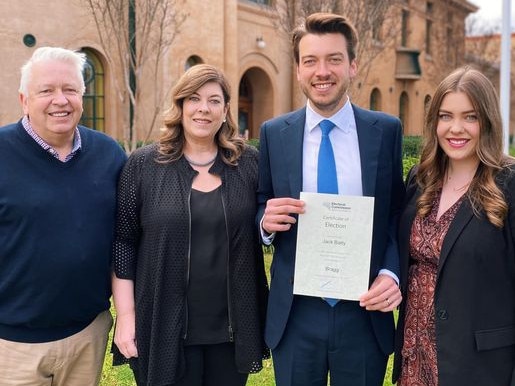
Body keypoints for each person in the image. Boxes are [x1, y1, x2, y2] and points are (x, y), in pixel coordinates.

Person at [257, 12, 405, 386]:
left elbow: (396, 215)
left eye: (333, 59)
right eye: (310, 61)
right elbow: (262, 201)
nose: (322, 71)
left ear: (352, 65)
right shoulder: (275, 133)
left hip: (363, 310)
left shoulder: (384, 131)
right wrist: (265, 223)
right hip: (296, 315)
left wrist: (391, 273)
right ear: (298, 70)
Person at [111, 63, 269, 386]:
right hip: (161, 322)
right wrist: (126, 318)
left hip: (231, 330)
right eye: (194, 99)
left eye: (214, 100)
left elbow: (268, 224)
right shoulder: (144, 166)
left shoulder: (249, 164)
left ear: (226, 110)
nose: (203, 109)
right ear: (180, 105)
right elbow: (123, 243)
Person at [0, 47, 127, 385]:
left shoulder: (109, 154)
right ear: (24, 100)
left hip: (88, 334)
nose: (61, 100)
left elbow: (124, 236)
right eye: (47, 90)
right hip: (11, 345)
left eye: (70, 89)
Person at [393, 66, 515, 385]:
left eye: (470, 117)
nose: (456, 128)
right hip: (414, 355)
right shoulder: (420, 179)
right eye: (446, 116)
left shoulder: (509, 185)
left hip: (479, 366)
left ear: (487, 121)